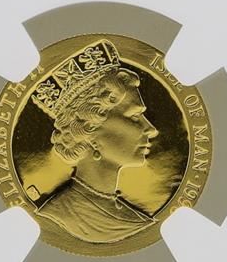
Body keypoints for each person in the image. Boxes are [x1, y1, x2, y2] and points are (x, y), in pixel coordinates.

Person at [31, 42, 159, 243]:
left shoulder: (135, 218)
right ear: (90, 131)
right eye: (135, 117)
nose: (151, 129)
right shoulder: (59, 215)